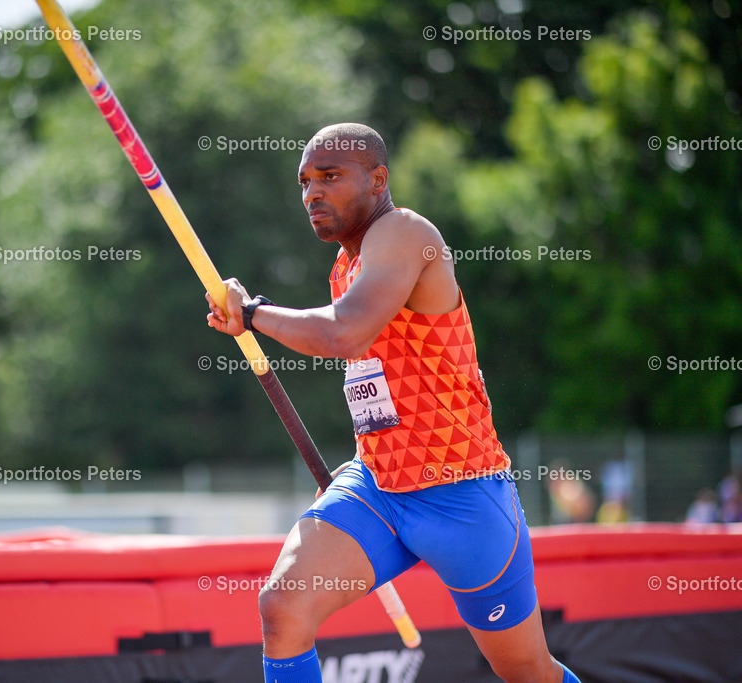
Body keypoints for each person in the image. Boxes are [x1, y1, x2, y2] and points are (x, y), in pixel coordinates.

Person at [206, 123, 580, 683]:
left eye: (329, 177)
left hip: (461, 493)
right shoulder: (345, 266)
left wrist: (253, 313)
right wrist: (368, 456)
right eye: (304, 181)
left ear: (378, 179)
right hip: (378, 486)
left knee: (527, 670)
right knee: (283, 610)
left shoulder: (404, 233)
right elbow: (375, 380)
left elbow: (344, 336)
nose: (312, 192)